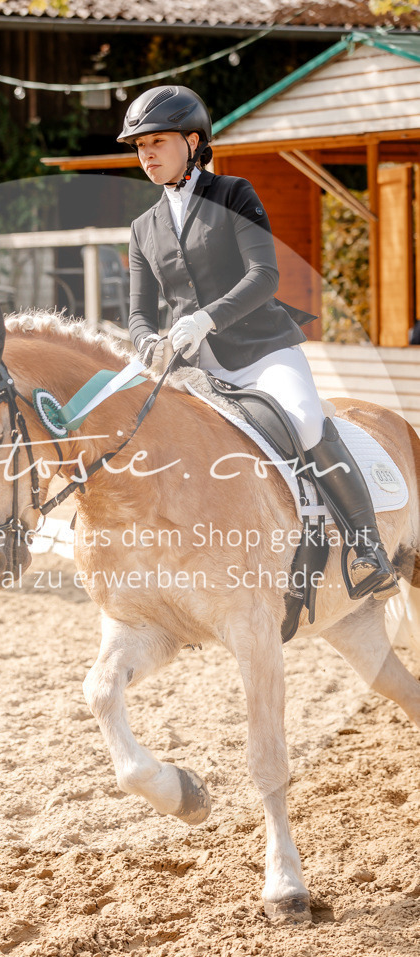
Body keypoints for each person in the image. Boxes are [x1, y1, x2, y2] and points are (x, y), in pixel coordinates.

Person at [118, 84, 397, 600]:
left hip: (261, 351)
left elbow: (264, 276)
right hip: (192, 368)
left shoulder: (234, 194)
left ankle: (365, 547)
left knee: (306, 418)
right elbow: (138, 312)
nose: (147, 153)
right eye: (140, 146)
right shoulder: (142, 227)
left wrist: (205, 319)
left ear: (193, 140)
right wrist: (144, 342)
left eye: (157, 141)